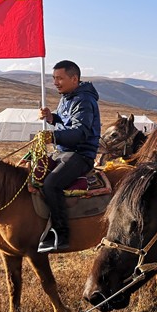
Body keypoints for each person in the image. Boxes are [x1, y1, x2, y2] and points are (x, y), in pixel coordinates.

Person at [37, 60, 101, 253]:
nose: (55, 82)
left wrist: (53, 136)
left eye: (60, 78)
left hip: (80, 154)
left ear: (74, 79)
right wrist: (52, 118)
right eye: (54, 78)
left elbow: (79, 132)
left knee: (51, 184)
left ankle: (61, 234)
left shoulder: (84, 100)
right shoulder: (67, 97)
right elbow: (66, 121)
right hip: (63, 152)